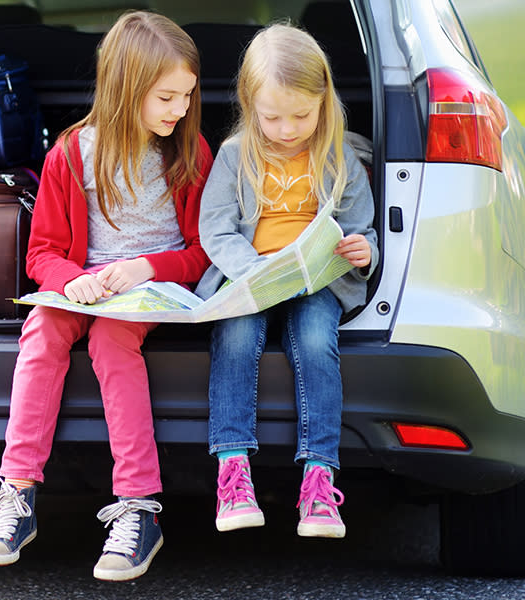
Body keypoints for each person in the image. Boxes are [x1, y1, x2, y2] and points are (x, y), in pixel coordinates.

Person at [0, 10, 213, 582]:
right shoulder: (71, 153)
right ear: (126, 89)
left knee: (110, 342)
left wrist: (146, 267)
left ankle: (138, 505)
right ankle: (17, 493)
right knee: (42, 330)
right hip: (86, 287)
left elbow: (205, 251)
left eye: (186, 96)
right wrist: (68, 279)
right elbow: (42, 255)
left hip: (154, 290)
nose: (180, 109)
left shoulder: (189, 151)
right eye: (167, 98)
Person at [195, 23, 378, 539]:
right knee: (233, 337)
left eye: (302, 115)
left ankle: (319, 479)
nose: (287, 128)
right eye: (271, 117)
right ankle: (233, 471)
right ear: (249, 105)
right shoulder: (235, 155)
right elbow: (216, 227)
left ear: (324, 102)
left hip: (317, 281)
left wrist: (363, 252)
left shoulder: (339, 155)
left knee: (318, 342)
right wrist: (253, 268)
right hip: (252, 277)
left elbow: (361, 229)